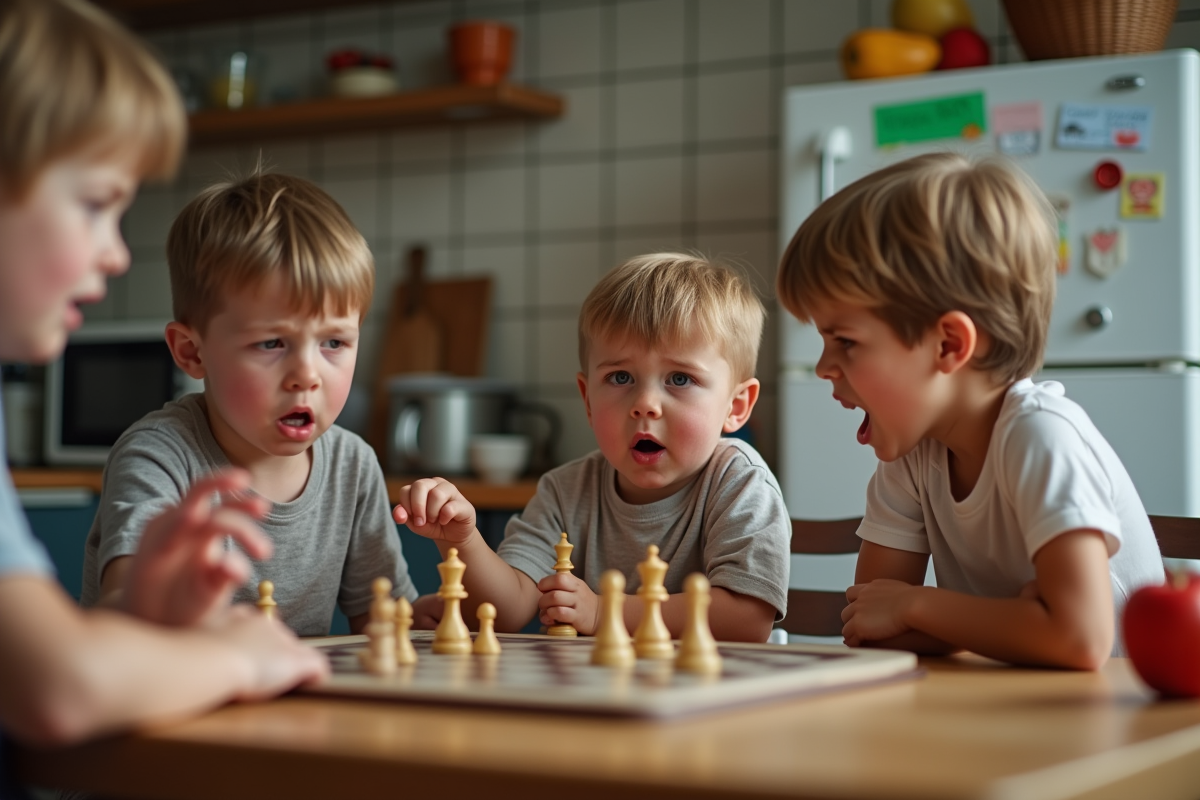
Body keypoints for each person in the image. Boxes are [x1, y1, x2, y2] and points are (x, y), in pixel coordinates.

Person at [0, 0, 327, 772]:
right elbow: (58, 687)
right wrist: (242, 661)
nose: (117, 257)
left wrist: (149, 613)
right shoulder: (160, 449)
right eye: (94, 205)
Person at [776, 152, 1164, 668]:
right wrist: (1010, 621)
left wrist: (921, 605)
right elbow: (869, 625)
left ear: (949, 344)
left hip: (1112, 720)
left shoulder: (1040, 438)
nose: (824, 367)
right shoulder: (910, 457)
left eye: (845, 341)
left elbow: (1079, 640)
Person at [79, 170, 418, 636]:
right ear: (192, 353)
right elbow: (124, 606)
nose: (308, 374)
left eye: (334, 342)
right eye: (272, 343)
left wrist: (420, 621)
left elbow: (379, 623)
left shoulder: (353, 465)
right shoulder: (158, 456)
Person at [393, 253, 791, 642]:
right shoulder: (566, 490)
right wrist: (462, 541)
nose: (645, 403)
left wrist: (604, 612)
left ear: (736, 406)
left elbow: (746, 618)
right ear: (587, 398)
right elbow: (508, 610)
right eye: (620, 377)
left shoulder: (740, 483)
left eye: (680, 379)